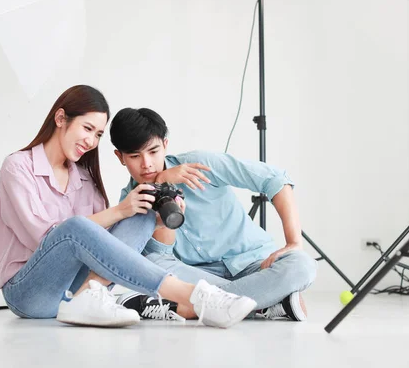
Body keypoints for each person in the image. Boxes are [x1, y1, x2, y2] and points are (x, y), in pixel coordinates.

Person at [0, 86, 258, 328]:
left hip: (71, 290)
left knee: (142, 206)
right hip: (29, 293)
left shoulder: (84, 178)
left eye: (98, 134)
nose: (92, 142)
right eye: (87, 128)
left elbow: (105, 244)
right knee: (78, 227)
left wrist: (156, 220)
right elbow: (48, 238)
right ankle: (194, 294)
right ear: (61, 119)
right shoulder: (18, 167)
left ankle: (86, 298)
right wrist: (119, 211)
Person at [109, 107, 317, 322]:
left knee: (302, 265)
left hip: (254, 264)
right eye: (135, 156)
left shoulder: (201, 164)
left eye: (153, 151)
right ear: (120, 157)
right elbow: (162, 257)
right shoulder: (131, 201)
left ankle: (192, 308)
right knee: (152, 265)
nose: (147, 164)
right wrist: (159, 185)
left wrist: (294, 242)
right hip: (197, 277)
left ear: (165, 145)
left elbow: (275, 179)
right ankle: (267, 302)